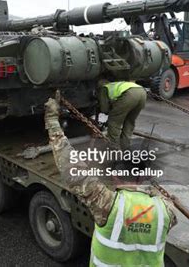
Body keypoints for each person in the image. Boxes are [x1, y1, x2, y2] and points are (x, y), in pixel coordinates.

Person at [44, 96, 177, 266]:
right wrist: (154, 192)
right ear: (143, 176)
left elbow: (71, 167)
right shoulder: (166, 211)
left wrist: (52, 121)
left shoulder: (106, 204)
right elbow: (166, 208)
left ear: (114, 176)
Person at [96, 80, 147, 150]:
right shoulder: (114, 84)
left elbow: (104, 109)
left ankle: (113, 147)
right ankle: (125, 146)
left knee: (114, 121)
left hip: (130, 95)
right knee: (129, 121)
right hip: (142, 92)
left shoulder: (104, 88)